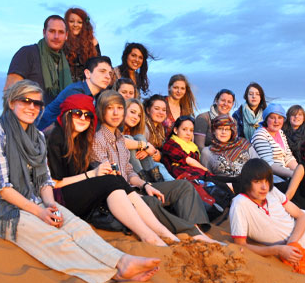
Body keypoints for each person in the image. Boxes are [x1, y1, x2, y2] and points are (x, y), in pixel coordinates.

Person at [0, 80, 160, 283]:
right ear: (11, 103)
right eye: (25, 101)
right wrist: (39, 212)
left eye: (36, 103)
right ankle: (111, 273)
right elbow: (2, 188)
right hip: (2, 208)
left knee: (76, 226)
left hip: (35, 200)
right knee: (53, 237)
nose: (31, 107)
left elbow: (44, 179)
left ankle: (122, 260)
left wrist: (51, 206)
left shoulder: (36, 136)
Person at [46, 94, 177, 246]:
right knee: (109, 180)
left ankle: (161, 231)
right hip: (60, 198)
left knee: (116, 177)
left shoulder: (82, 139)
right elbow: (54, 183)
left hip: (78, 193)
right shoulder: (56, 138)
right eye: (77, 113)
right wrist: (92, 174)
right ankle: (147, 235)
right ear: (66, 114)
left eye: (87, 115)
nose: (82, 118)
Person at [92, 90, 215, 241]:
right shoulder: (98, 139)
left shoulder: (119, 138)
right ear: (100, 111)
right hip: (120, 196)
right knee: (151, 202)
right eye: (110, 108)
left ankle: (196, 228)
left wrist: (145, 185)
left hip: (138, 184)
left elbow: (129, 172)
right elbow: (107, 179)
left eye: (119, 108)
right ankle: (190, 233)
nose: (116, 113)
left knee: (183, 186)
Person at [161, 115, 235, 213]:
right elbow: (187, 160)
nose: (188, 133)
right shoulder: (170, 144)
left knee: (235, 182)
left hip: (199, 174)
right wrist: (205, 169)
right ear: (175, 130)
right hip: (187, 176)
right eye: (184, 129)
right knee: (225, 186)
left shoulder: (192, 146)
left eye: (191, 130)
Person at [5, 15, 72, 105]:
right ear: (44, 32)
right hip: (29, 115)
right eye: (52, 31)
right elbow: (10, 90)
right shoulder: (27, 53)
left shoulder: (66, 63)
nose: (56, 36)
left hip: (54, 117)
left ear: (66, 35)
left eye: (61, 32)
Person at [38, 56, 112, 131]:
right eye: (102, 71)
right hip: (43, 133)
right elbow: (75, 125)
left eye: (110, 73)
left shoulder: (97, 96)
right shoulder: (76, 92)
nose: (108, 76)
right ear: (88, 73)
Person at [251, 103, 297, 191]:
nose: (276, 121)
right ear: (266, 119)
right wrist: (293, 174)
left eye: (280, 118)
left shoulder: (280, 133)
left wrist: (299, 172)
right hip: (270, 179)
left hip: (284, 175)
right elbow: (269, 165)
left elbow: (288, 157)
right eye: (272, 117)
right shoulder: (260, 135)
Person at [122, 98, 163, 182]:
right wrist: (145, 146)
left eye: (139, 115)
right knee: (129, 138)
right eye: (132, 112)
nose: (136, 117)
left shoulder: (136, 133)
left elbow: (153, 152)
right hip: (121, 168)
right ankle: (143, 180)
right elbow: (118, 141)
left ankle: (156, 180)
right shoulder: (115, 127)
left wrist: (146, 150)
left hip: (143, 166)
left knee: (140, 137)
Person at [63, 7, 100, 83]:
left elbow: (98, 65)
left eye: (79, 22)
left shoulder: (92, 41)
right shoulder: (62, 40)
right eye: (71, 21)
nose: (75, 25)